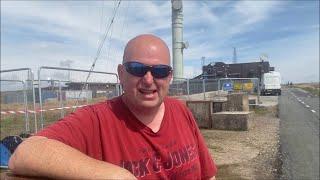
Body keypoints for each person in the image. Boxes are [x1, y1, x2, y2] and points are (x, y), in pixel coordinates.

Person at [9, 34, 217, 179]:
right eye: (137, 68)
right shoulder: (97, 119)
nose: (148, 79)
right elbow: (25, 153)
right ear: (121, 73)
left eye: (160, 71)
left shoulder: (181, 111)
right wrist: (116, 175)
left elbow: (208, 174)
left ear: (170, 76)